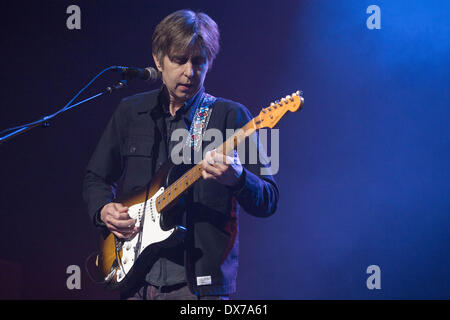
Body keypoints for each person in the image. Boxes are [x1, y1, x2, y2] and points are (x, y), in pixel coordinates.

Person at [82, 9, 279, 300]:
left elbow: (269, 199)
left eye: (199, 62)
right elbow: (95, 177)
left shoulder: (232, 116)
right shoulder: (131, 111)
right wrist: (103, 210)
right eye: (179, 60)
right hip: (134, 280)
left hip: (197, 286)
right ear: (158, 60)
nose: (190, 71)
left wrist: (238, 179)